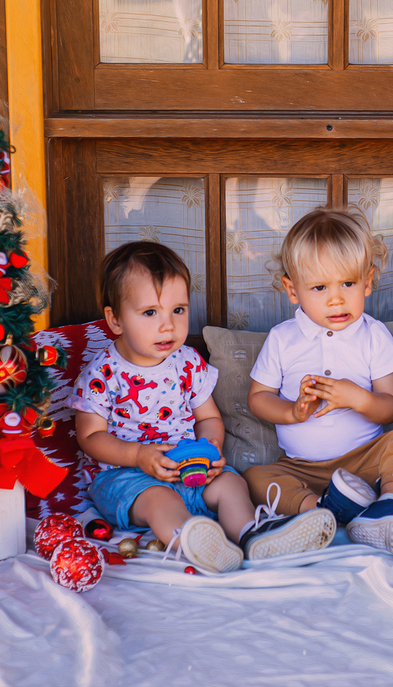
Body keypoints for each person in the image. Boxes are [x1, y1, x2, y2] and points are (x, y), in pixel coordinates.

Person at [72, 241, 335, 573]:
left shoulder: (187, 362)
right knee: (160, 500)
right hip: (128, 479)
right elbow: (90, 437)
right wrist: (139, 456)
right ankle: (193, 541)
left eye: (178, 310)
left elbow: (208, 416)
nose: (168, 325)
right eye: (150, 312)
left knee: (231, 484)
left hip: (191, 471)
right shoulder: (102, 373)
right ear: (115, 320)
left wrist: (210, 449)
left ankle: (253, 536)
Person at [245, 207, 393, 557]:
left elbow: (390, 407)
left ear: (368, 281)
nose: (336, 298)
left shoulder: (373, 336)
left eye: (348, 283)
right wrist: (292, 412)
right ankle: (318, 512)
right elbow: (258, 398)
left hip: (366, 462)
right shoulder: (283, 338)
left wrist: (358, 399)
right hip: (301, 468)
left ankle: (388, 504)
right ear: (292, 290)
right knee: (254, 477)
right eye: (319, 287)